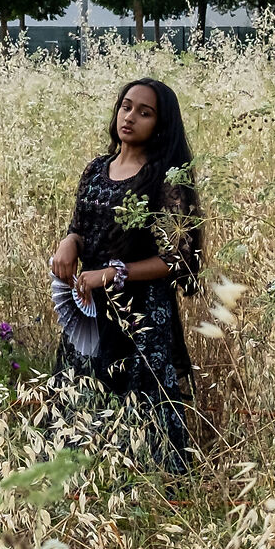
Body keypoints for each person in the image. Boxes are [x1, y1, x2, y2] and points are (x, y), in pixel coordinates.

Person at [46, 77, 203, 469]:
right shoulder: (97, 170)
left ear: (160, 125)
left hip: (142, 314)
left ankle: (144, 488)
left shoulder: (165, 179)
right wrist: (69, 242)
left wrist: (112, 273)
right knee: (81, 399)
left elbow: (175, 259)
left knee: (142, 414)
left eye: (144, 112)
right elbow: (81, 227)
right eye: (126, 106)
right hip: (90, 308)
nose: (130, 117)